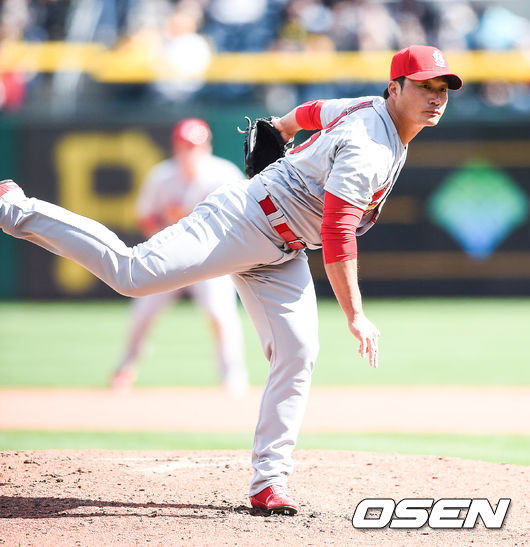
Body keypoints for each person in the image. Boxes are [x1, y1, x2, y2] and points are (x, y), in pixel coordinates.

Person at [0, 45, 462, 515]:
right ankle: (16, 208)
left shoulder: (371, 110)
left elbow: (315, 110)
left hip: (282, 251)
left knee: (298, 352)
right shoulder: (369, 144)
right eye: (424, 86)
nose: (436, 97)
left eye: (443, 88)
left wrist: (283, 125)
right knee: (132, 274)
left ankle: (269, 482)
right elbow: (337, 232)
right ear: (394, 88)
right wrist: (356, 315)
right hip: (242, 221)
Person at [111, 118, 249, 397]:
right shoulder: (162, 176)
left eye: (195, 146)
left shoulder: (224, 174)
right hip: (168, 259)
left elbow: (241, 218)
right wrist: (168, 239)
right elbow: (145, 216)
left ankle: (233, 376)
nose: (190, 152)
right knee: (143, 313)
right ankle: (125, 368)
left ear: (207, 146)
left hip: (211, 260)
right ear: (176, 147)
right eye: (185, 146)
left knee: (221, 315)